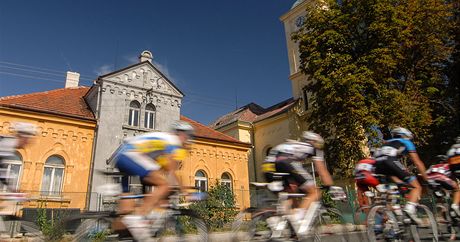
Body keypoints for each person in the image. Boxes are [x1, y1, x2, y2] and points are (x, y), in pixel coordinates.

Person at [113, 120, 194, 241]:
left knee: (127, 211)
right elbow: (171, 171)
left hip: (123, 156)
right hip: (131, 154)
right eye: (189, 136)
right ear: (182, 134)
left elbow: (163, 169)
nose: (189, 140)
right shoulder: (172, 141)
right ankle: (138, 218)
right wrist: (185, 192)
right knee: (164, 185)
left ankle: (120, 229)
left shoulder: (162, 141)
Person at [262, 131, 336, 234]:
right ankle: (297, 217)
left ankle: (277, 221)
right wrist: (330, 186)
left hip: (267, 166)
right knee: (314, 192)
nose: (320, 147)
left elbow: (293, 175)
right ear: (315, 142)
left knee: (289, 195)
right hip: (285, 162)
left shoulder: (294, 145)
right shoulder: (313, 148)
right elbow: (322, 170)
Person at [373, 127, 428, 224]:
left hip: (377, 165)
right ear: (406, 136)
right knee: (416, 186)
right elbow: (417, 162)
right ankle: (409, 209)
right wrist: (426, 178)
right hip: (389, 161)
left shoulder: (386, 143)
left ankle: (388, 221)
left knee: (393, 190)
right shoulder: (406, 142)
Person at [0, 122, 36, 190]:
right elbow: (1, 170)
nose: (27, 143)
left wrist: (12, 189)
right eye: (27, 139)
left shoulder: (8, 143)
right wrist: (12, 189)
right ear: (21, 137)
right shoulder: (6, 143)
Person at [446, 136, 460, 216]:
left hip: (453, 170)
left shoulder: (451, 149)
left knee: (457, 189)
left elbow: (448, 163)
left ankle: (454, 206)